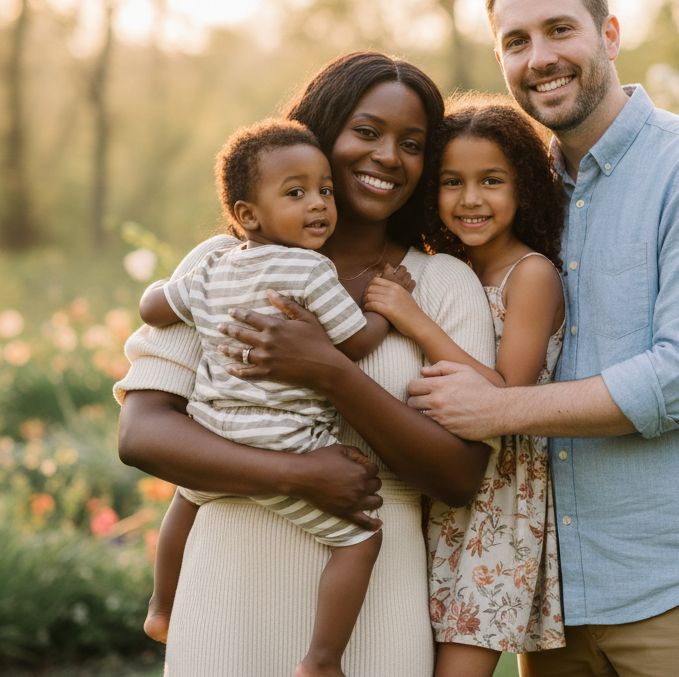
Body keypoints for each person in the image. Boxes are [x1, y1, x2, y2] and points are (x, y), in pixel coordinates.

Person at [407, 0, 679, 676]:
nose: (540, 58)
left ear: (608, 34)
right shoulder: (520, 195)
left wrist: (498, 410)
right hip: (552, 602)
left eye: (559, 30)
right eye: (516, 41)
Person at [116, 51, 497, 676]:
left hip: (373, 603)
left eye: (412, 144)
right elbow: (143, 434)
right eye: (366, 132)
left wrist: (331, 372)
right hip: (226, 592)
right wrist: (296, 475)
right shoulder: (220, 264)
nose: (387, 157)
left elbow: (459, 475)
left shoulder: (438, 284)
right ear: (320, 134)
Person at [137, 118, 421, 676]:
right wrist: (387, 305)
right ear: (247, 214)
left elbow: (154, 308)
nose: (318, 205)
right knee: (361, 540)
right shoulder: (312, 270)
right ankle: (321, 660)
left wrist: (155, 292)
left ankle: (161, 606)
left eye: (324, 191)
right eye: (296, 194)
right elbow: (357, 341)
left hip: (216, 429)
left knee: (187, 497)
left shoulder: (214, 266)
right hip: (289, 442)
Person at [363, 94, 568, 676]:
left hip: (500, 502)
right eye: (452, 182)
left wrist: (413, 319)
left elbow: (506, 393)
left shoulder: (531, 274)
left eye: (491, 181)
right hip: (438, 486)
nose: (470, 199)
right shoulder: (451, 270)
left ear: (523, 187)